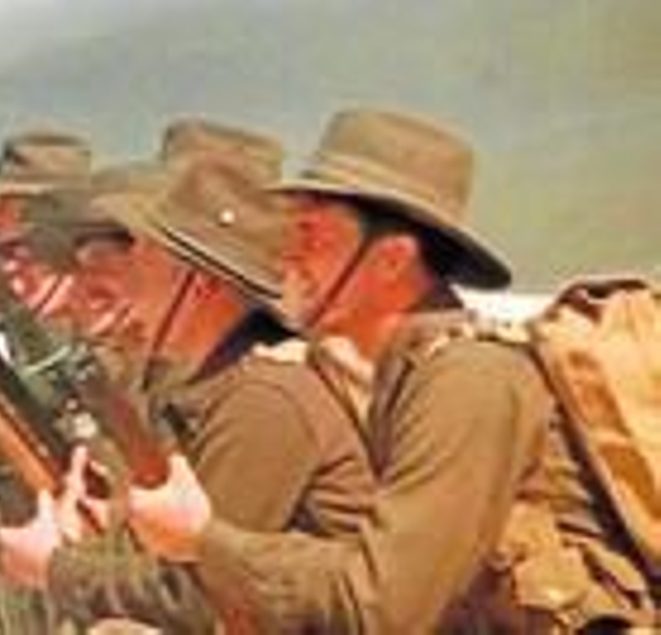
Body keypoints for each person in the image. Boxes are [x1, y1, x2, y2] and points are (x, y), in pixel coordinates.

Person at [124, 108, 658, 631]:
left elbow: (381, 607)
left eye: (313, 236)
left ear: (391, 260)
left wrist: (205, 541)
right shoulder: (405, 376)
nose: (287, 257)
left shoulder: (465, 380)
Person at [0, 153, 375, 632]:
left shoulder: (262, 398)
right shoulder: (220, 386)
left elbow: (195, 595)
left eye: (148, 254)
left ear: (199, 285)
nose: (132, 272)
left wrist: (56, 569)